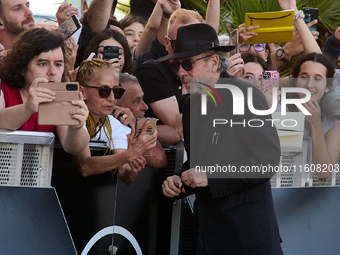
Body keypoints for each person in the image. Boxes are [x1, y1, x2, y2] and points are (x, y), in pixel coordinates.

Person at [161, 23, 283, 255]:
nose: (180, 72)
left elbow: (266, 160)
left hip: (247, 237)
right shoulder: (190, 105)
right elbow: (201, 161)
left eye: (188, 64)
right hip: (207, 235)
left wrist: (211, 177)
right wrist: (180, 180)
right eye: (175, 65)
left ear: (214, 63)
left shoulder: (245, 96)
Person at [0, 28, 89, 155]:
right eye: (42, 63)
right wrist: (27, 108)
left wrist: (76, 128)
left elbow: (74, 148)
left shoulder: (61, 97)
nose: (52, 71)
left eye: (58, 64)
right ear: (22, 68)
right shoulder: (4, 87)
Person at [73, 59, 157, 183]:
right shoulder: (73, 115)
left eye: (117, 92)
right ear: (82, 92)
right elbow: (85, 167)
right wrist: (128, 155)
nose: (112, 99)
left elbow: (125, 175)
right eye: (104, 91)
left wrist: (130, 169)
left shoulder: (112, 123)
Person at [290, 52, 340, 180]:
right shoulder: (280, 111)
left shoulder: (333, 121)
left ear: (328, 87)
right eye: (304, 77)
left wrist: (315, 123)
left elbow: (323, 173)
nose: (309, 85)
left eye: (318, 79)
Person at [117, 73, 180, 147]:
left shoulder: (135, 122)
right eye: (137, 101)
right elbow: (157, 157)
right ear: (116, 105)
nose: (145, 107)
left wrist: (137, 126)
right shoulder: (111, 129)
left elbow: (174, 136)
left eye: (142, 99)